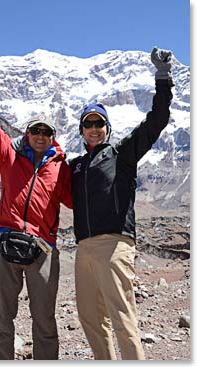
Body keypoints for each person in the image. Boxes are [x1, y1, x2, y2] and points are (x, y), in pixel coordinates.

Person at [0, 65, 72, 360]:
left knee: (45, 319)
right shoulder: (9, 156)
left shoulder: (61, 168)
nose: (40, 135)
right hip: (6, 245)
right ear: (27, 132)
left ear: (53, 137)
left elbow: (77, 201)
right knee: (1, 316)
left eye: (46, 132)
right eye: (36, 130)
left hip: (43, 251)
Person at [70, 47, 174, 360]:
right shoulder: (74, 165)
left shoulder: (122, 155)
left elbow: (156, 120)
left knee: (122, 317)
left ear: (107, 128)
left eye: (99, 123)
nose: (93, 128)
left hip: (114, 245)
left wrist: (162, 76)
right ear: (82, 130)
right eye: (88, 124)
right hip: (84, 248)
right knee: (90, 319)